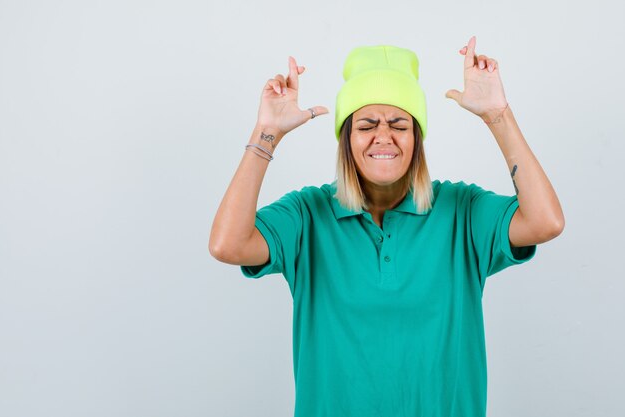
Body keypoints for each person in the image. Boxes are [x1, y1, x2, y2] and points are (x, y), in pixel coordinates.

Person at [209, 36, 564, 417]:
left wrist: (497, 115)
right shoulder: (308, 214)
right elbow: (227, 245)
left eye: (399, 124)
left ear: (417, 139)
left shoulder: (462, 210)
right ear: (346, 140)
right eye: (366, 125)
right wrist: (268, 133)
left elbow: (546, 221)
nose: (384, 136)